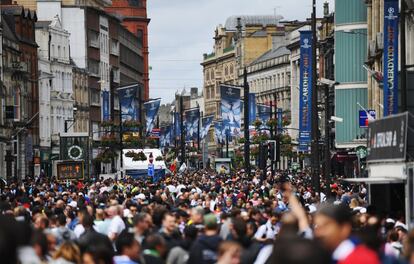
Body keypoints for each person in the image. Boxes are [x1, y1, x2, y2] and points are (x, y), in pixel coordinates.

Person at [314, 203, 381, 264]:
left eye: (325, 226)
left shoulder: (363, 260)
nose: (319, 233)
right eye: (318, 227)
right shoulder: (320, 256)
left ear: (344, 228)